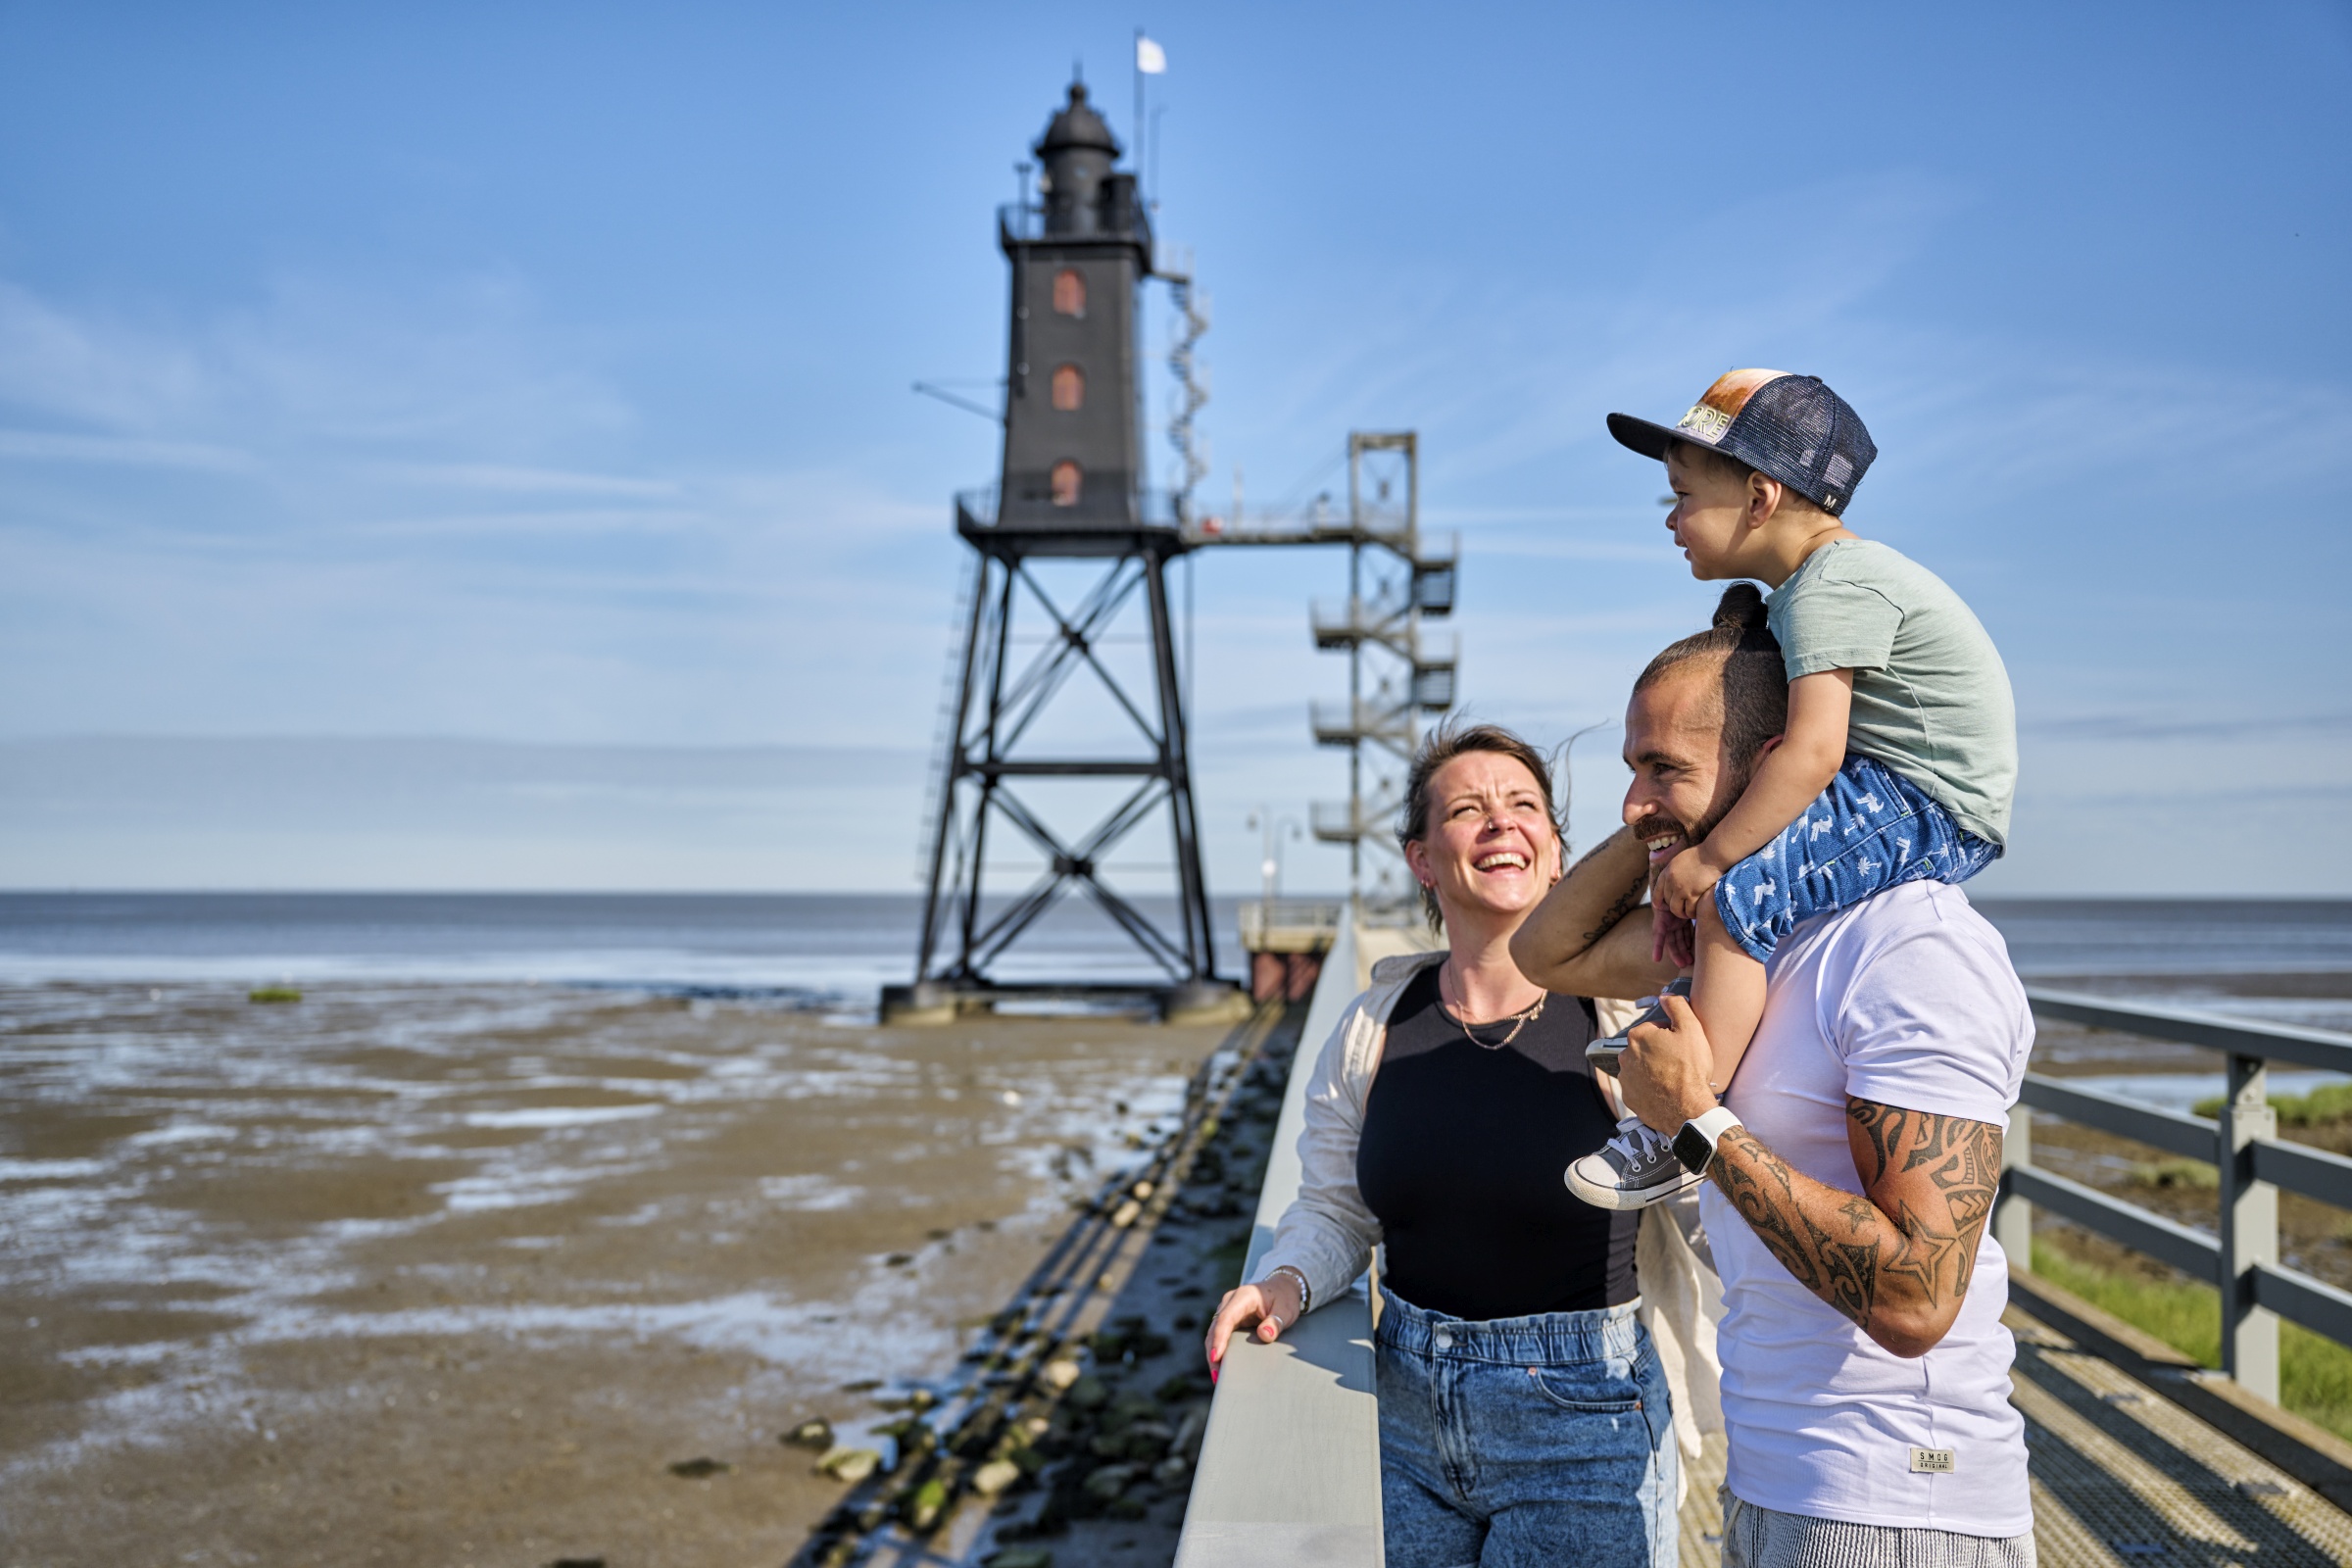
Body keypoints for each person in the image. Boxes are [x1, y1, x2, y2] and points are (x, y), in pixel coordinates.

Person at [1527, 598, 2035, 1566]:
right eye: (1631, 768)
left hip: (1899, 1502)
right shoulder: (1746, 935)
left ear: (1770, 766)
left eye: (1662, 766)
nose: (1632, 799)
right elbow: (1548, 949)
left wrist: (1693, 1122)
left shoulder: (1909, 948)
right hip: (1775, 1479)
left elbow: (1917, 1298)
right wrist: (1664, 825)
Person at [1203, 722, 1687, 1567]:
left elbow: (1711, 1199)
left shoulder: (1624, 1023)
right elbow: (1334, 1209)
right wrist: (1285, 1281)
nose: (1500, 822)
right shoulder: (1373, 1026)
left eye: (1524, 806)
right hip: (1401, 1414)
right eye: (1467, 809)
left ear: (1557, 852)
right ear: (1422, 860)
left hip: (1586, 1423)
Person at [1566, 369, 2018, 1210]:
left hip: (1928, 800)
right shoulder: (1818, 585)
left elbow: (1811, 752)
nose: (1670, 519)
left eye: (1682, 496)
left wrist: (1710, 861)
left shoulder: (1831, 586)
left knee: (1739, 898)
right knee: (1746, 890)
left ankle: (1677, 1122)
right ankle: (1698, 1015)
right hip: (1901, 784)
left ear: (1760, 497)